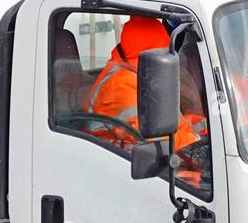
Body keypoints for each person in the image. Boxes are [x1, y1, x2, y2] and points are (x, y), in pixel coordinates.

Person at [83, 16, 211, 187]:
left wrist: (207, 129)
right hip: (115, 173)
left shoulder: (138, 76)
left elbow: (173, 125)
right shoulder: (119, 86)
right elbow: (154, 136)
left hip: (145, 161)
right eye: (164, 55)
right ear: (153, 59)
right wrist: (195, 142)